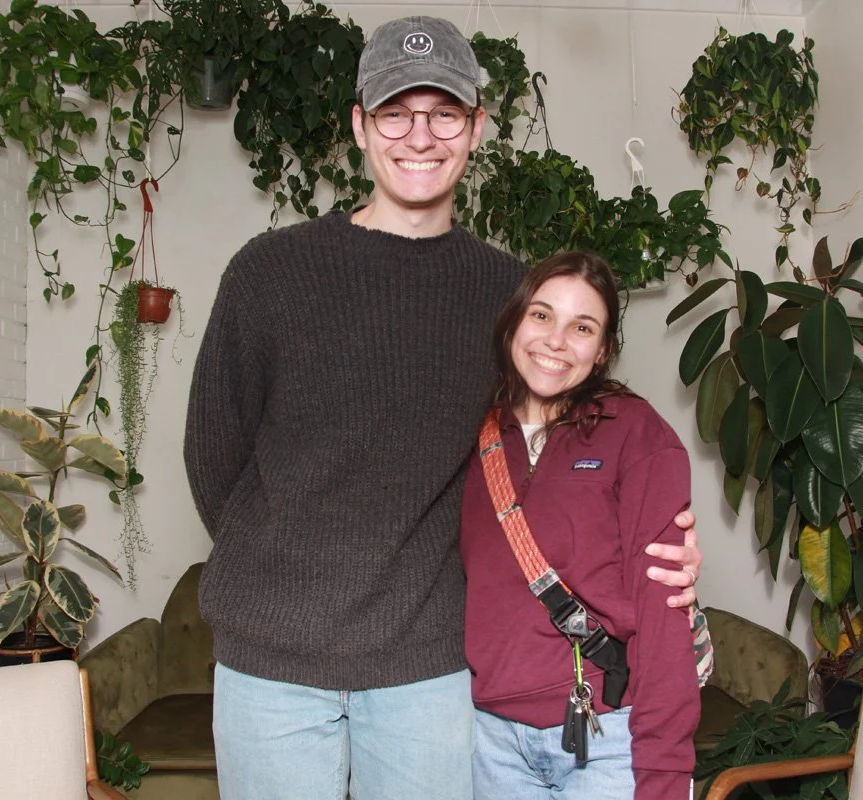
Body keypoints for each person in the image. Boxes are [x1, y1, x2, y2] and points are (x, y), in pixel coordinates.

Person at [183, 15, 703, 800]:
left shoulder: (509, 298)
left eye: (444, 114)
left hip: (426, 671)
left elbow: (559, 456)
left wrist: (657, 549)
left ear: (477, 128)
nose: (420, 137)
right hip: (271, 665)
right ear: (359, 126)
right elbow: (212, 456)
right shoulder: (269, 274)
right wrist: (289, 562)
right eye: (395, 112)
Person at [461, 251, 699, 799]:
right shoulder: (467, 435)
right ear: (514, 321)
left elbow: (664, 616)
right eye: (542, 315)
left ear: (604, 349)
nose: (556, 341)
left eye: (582, 327)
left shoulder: (637, 435)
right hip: (489, 743)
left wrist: (664, 775)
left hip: (610, 739)